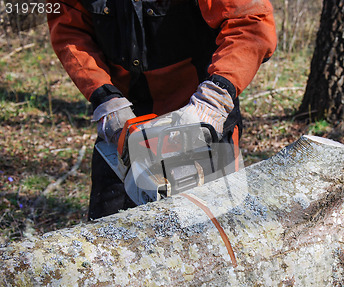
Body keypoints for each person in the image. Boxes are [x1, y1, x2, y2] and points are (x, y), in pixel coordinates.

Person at [47, 0, 277, 219]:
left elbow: (250, 21)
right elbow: (69, 29)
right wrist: (105, 98)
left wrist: (214, 98)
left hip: (200, 109)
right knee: (107, 230)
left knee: (212, 231)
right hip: (126, 117)